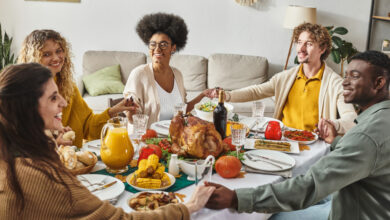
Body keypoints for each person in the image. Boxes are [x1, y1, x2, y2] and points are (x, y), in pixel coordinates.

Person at [0, 63, 215, 219]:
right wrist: (189, 207)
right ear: (27, 111)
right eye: (53, 98)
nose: (64, 103)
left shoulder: (11, 156)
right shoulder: (43, 176)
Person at [204, 51, 390, 219]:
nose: (345, 82)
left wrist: (237, 198)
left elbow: (311, 186)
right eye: (346, 75)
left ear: (379, 82)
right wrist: (336, 141)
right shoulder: (382, 119)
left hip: (352, 212)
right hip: (357, 198)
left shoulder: (365, 135)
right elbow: (368, 155)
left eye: (355, 76)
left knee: (269, 217)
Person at [206, 23, 356, 134]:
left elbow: (351, 120)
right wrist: (227, 95)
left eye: (309, 44)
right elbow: (256, 91)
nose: (301, 49)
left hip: (315, 143)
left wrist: (332, 125)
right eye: (299, 42)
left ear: (322, 49)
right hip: (283, 139)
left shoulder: (335, 83)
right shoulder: (286, 77)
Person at [17, 30, 136, 148]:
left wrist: (113, 111)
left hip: (74, 160)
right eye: (46, 54)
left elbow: (88, 125)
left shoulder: (69, 87)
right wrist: (53, 141)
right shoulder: (22, 94)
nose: (56, 58)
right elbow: (21, 143)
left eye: (59, 51)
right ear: (33, 58)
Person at [123, 12, 211, 127]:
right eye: (153, 44)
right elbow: (133, 120)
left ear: (173, 48)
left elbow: (182, 111)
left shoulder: (177, 74)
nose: (157, 49)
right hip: (149, 138)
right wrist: (130, 113)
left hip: (174, 137)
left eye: (163, 44)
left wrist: (203, 94)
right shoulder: (139, 74)